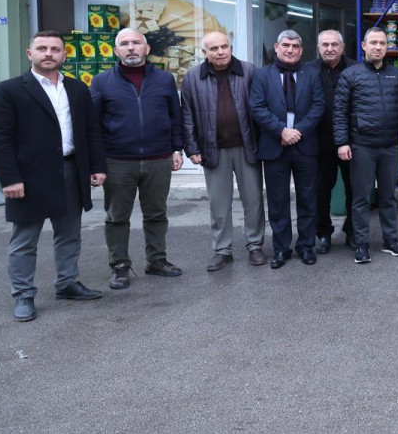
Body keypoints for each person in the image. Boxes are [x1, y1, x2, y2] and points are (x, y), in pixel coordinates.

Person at [0, 31, 106, 322]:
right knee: (25, 240)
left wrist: (97, 167)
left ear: (64, 55)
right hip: (28, 177)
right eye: (42, 48)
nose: (49, 53)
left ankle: (67, 283)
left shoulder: (77, 89)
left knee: (69, 234)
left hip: (70, 170)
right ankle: (23, 294)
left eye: (55, 49)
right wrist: (9, 179)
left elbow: (91, 132)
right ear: (30, 54)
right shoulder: (7, 91)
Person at [91, 28, 184, 290]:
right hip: (117, 161)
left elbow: (175, 116)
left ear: (147, 49)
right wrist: (96, 162)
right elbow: (93, 125)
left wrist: (177, 149)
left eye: (136, 43)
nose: (130, 47)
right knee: (117, 217)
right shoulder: (102, 81)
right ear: (116, 50)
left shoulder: (164, 79)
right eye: (124, 43)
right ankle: (119, 265)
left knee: (156, 214)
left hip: (158, 158)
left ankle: (157, 260)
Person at [181, 31, 266, 271]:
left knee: (253, 200)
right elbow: (187, 115)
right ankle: (222, 250)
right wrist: (192, 148)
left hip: (247, 146)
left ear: (230, 47)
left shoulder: (249, 71)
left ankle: (255, 245)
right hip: (213, 148)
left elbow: (261, 106)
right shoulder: (192, 78)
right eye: (214, 48)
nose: (220, 52)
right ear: (204, 53)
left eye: (224, 47)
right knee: (219, 203)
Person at [333, 27, 398, 264]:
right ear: (364, 46)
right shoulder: (350, 74)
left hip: (390, 146)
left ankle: (391, 240)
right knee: (361, 198)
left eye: (382, 43)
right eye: (374, 43)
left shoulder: (395, 75)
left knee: (389, 197)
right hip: (362, 146)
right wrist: (342, 142)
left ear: (387, 47)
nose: (378, 47)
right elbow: (340, 111)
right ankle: (361, 244)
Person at [249, 29, 326, 269]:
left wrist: (297, 132)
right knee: (278, 201)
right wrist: (281, 131)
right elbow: (257, 107)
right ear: (276, 47)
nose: (290, 50)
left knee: (308, 199)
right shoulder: (262, 75)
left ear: (301, 50)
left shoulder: (312, 74)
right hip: (275, 146)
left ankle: (306, 246)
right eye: (286, 45)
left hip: (305, 146)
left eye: (295, 46)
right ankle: (281, 249)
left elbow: (318, 106)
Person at [309, 29, 355, 253]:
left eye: (334, 44)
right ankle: (324, 233)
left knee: (354, 189)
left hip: (351, 141)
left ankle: (352, 232)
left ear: (342, 47)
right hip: (320, 141)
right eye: (325, 45)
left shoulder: (356, 69)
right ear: (318, 48)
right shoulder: (308, 71)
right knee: (320, 191)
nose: (329, 48)